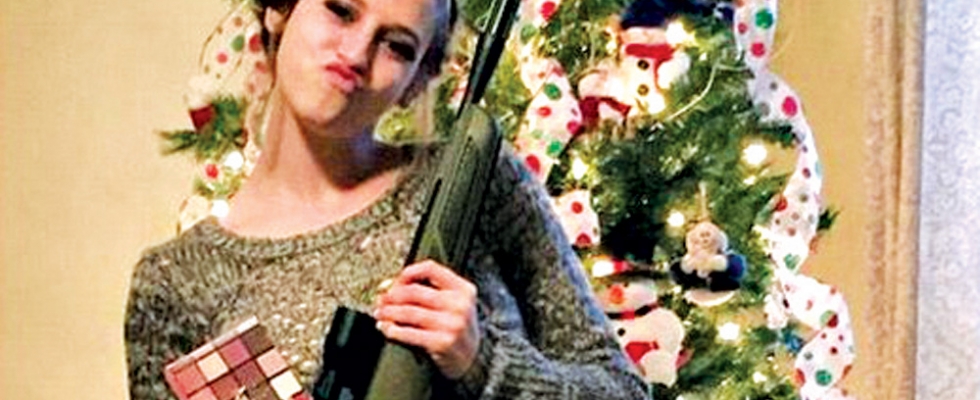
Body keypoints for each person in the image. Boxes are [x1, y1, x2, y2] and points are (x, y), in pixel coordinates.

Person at [125, 0, 649, 398]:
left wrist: (483, 361)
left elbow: (622, 390)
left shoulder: (480, 185)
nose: (356, 54)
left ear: (418, 80)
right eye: (340, 10)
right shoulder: (177, 280)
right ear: (280, 11)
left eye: (396, 45)